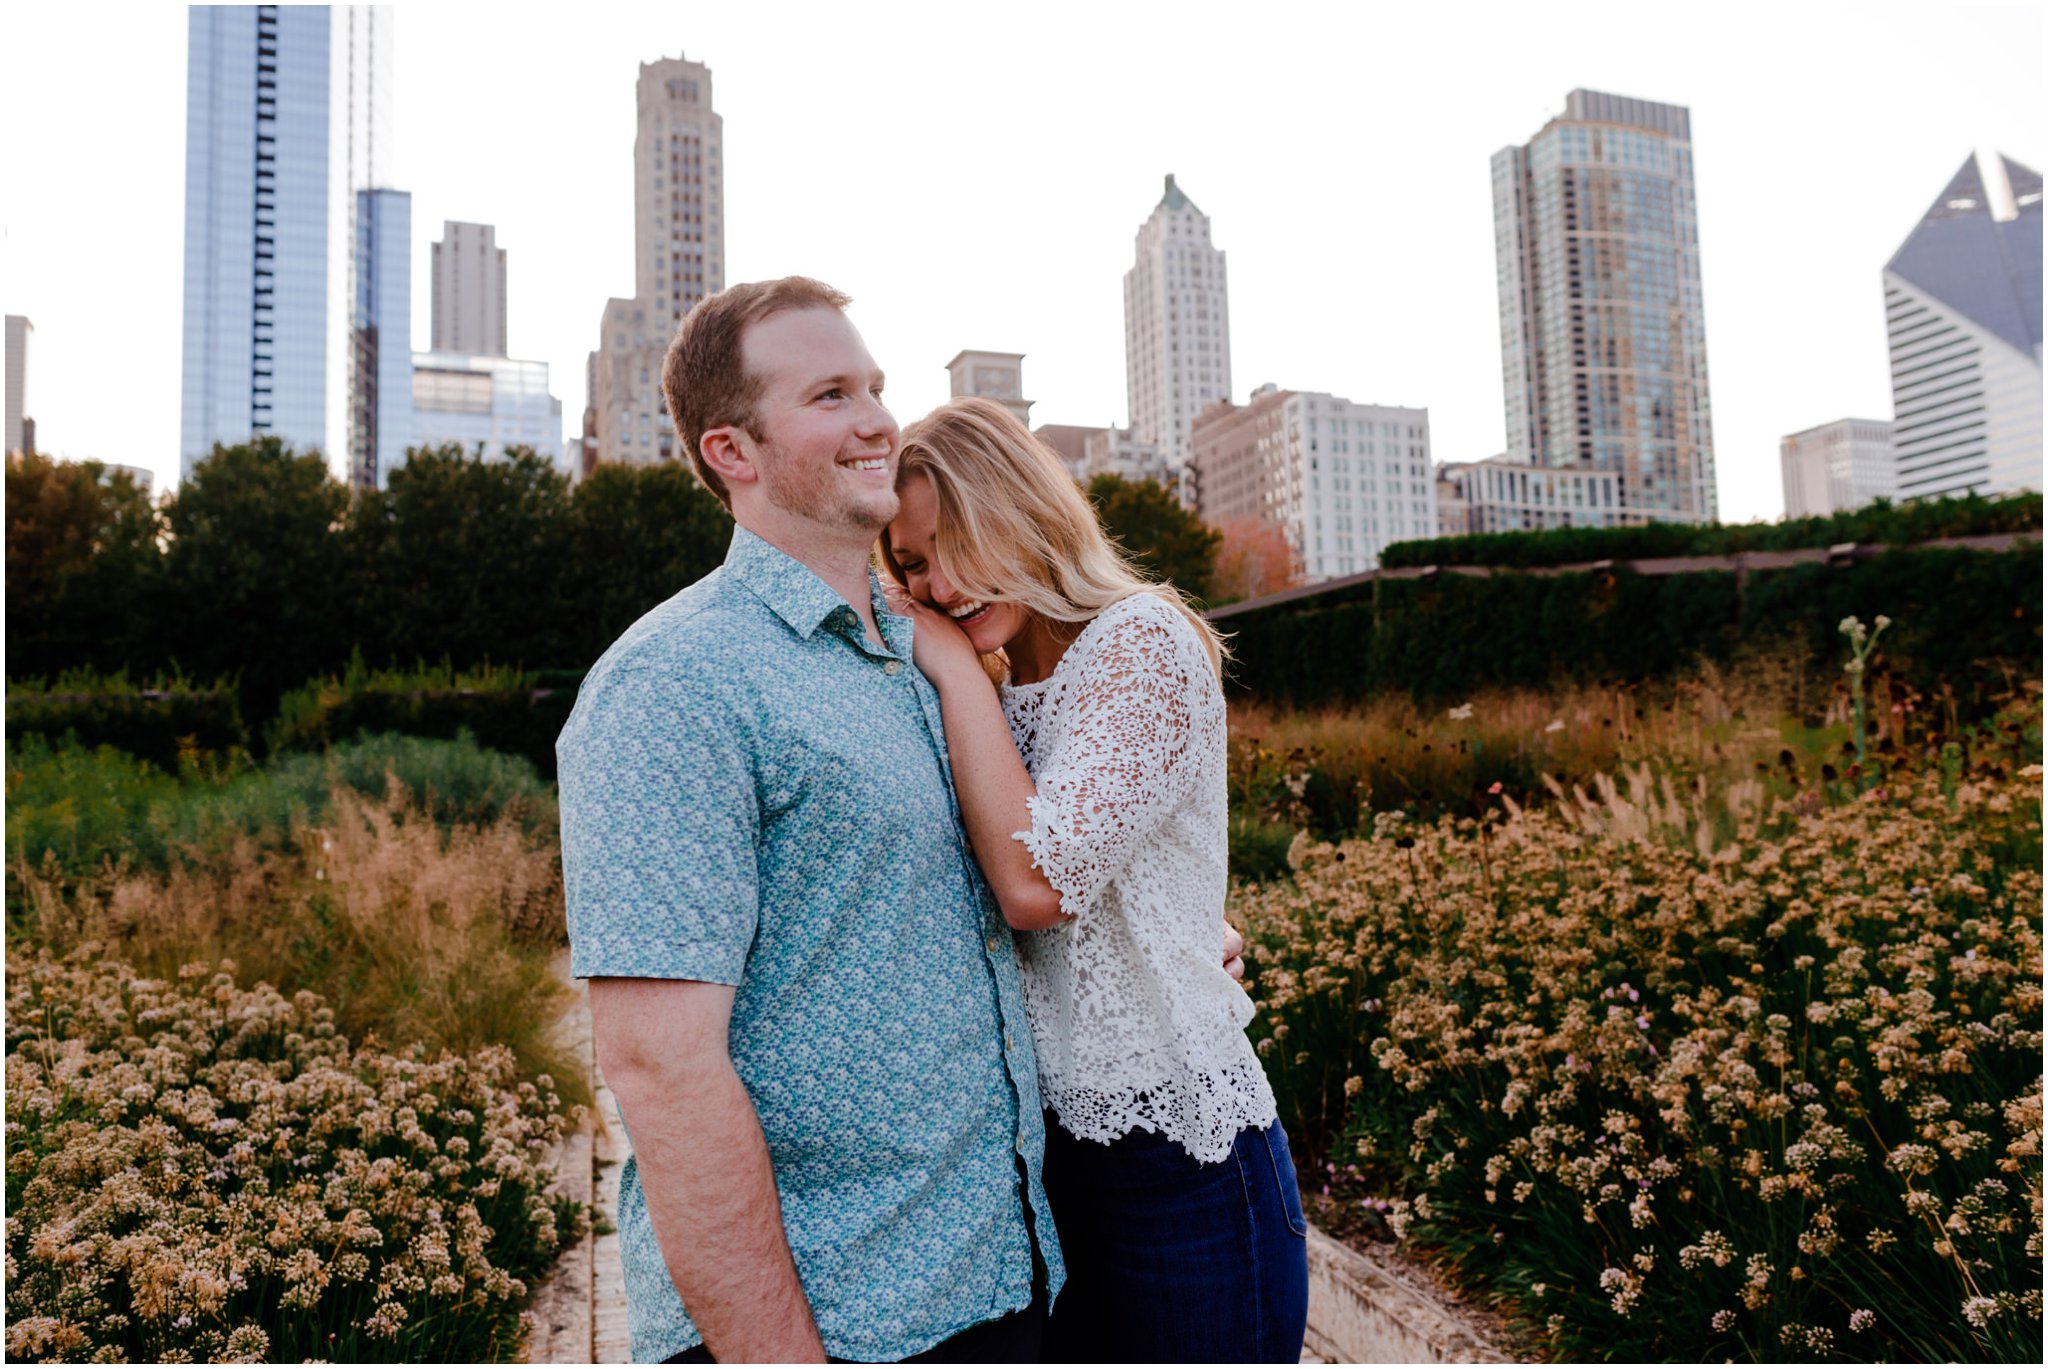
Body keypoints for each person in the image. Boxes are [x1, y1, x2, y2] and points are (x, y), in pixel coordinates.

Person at [557, 279, 1244, 1363]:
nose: (877, 417)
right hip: (838, 1313)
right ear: (732, 451)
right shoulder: (673, 683)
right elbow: (656, 1066)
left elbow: (1016, 875)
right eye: (830, 393)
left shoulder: (931, 663)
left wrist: (1168, 930)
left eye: (874, 385)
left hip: (1013, 1277)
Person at [879, 396, 1309, 1363]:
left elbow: (1037, 886)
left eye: (957, 541)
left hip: (1180, 1165)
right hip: (1037, 1166)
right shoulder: (989, 687)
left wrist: (949, 671)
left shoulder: (1139, 639)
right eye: (909, 562)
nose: (937, 582)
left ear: (1024, 511)